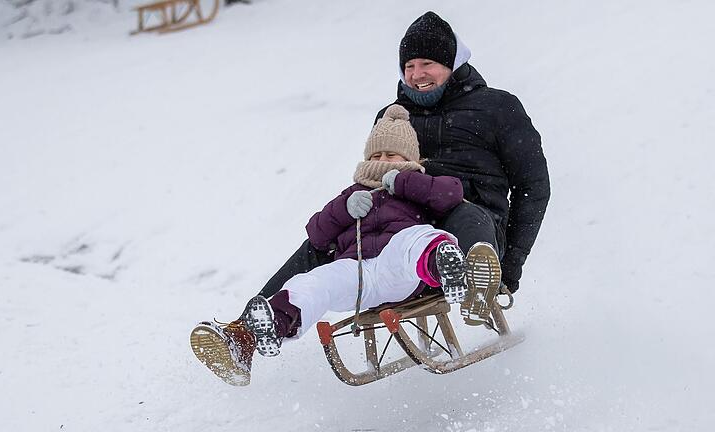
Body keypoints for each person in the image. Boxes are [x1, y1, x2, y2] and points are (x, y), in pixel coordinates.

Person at [191, 105, 501, 386]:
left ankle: (448, 268)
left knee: (414, 240)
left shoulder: (418, 184)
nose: (382, 162)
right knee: (314, 282)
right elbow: (317, 234)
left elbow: (450, 195)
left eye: (392, 156)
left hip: (399, 270)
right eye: (376, 156)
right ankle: (275, 323)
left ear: (410, 160)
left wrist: (405, 182)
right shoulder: (353, 192)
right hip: (356, 270)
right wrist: (343, 208)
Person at [257, 11, 550, 297]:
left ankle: (477, 285)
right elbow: (373, 173)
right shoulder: (392, 118)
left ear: (452, 63)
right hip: (401, 223)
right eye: (409, 65)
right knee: (321, 241)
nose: (417, 74)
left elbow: (532, 187)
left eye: (428, 63)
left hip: (472, 222)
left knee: (465, 215)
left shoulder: (496, 108)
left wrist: (511, 265)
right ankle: (247, 328)